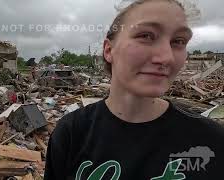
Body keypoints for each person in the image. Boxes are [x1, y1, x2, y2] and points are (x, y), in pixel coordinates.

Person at [44, 0, 224, 179]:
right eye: (146, 36)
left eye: (178, 41)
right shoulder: (72, 132)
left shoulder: (212, 142)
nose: (166, 57)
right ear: (109, 50)